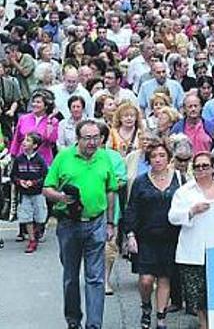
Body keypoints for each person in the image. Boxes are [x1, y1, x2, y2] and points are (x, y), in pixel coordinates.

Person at [43, 120, 118, 329]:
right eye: (88, 138)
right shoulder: (64, 157)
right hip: (69, 225)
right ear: (78, 138)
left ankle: (94, 325)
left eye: (97, 137)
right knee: (71, 277)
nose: (93, 142)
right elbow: (47, 188)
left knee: (95, 278)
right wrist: (60, 197)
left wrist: (111, 223)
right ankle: (73, 320)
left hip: (96, 223)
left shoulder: (104, 157)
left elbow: (111, 189)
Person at [168, 152, 214, 329]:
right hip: (193, 249)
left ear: (213, 168)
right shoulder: (184, 192)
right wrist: (191, 211)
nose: (201, 170)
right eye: (197, 166)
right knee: (198, 295)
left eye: (205, 166)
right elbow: (173, 217)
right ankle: (203, 324)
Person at [123, 141, 183, 329]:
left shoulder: (179, 179)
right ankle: (146, 306)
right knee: (146, 279)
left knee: (165, 277)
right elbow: (131, 208)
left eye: (162, 155)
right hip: (146, 236)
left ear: (168, 158)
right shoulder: (141, 181)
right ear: (149, 160)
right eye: (154, 156)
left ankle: (161, 317)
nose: (158, 159)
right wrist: (130, 235)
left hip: (170, 236)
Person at [10, 132, 48, 254]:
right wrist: (19, 181)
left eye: (28, 140)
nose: (24, 142)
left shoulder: (40, 160)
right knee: (26, 216)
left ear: (35, 145)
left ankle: (37, 232)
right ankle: (31, 240)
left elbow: (45, 176)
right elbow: (13, 175)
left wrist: (35, 182)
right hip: (25, 194)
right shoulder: (19, 159)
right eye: (24, 140)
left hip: (38, 193)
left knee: (40, 217)